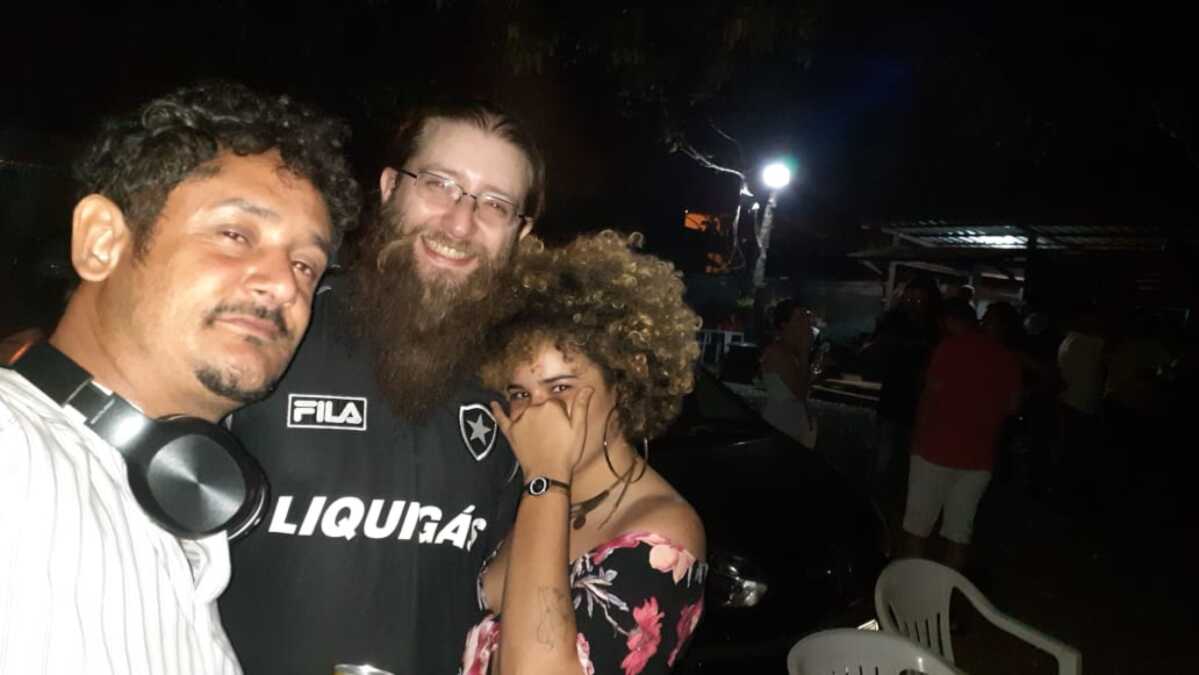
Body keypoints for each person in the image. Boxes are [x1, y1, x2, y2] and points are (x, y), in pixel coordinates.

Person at [0, 81, 360, 675]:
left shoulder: (182, 526)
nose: (284, 285)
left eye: (305, 264)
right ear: (102, 241)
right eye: (236, 235)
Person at [219, 100, 546, 675]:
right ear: (391, 186)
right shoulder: (275, 329)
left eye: (495, 205)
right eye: (439, 184)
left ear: (520, 232)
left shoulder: (520, 384)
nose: (460, 223)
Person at [461, 230, 707, 675]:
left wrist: (547, 477)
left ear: (625, 381)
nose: (538, 413)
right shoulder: (518, 490)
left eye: (560, 388)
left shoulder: (664, 534)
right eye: (520, 393)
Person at [901, 299, 1022, 570]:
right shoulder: (1009, 359)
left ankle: (910, 588)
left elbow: (930, 393)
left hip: (935, 450)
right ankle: (947, 591)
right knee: (959, 535)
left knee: (917, 528)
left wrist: (917, 438)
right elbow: (1013, 407)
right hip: (979, 459)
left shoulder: (952, 347)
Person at [759, 299, 818, 447]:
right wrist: (804, 353)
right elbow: (800, 393)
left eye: (806, 317)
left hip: (793, 427)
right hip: (781, 428)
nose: (805, 324)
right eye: (799, 319)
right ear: (784, 324)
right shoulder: (776, 353)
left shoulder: (792, 353)